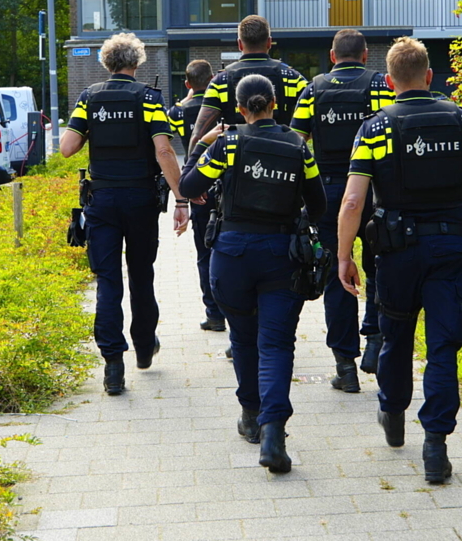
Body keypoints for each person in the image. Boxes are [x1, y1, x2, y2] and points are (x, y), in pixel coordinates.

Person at [336, 37, 462, 484]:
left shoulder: (375, 128)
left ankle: (392, 414)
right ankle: (436, 446)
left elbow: (353, 202)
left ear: (389, 82)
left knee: (395, 336)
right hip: (449, 250)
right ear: (430, 76)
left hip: (396, 253)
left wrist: (343, 256)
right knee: (443, 346)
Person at [179, 74, 326, 474]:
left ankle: (249, 414)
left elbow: (190, 185)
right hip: (281, 255)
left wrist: (202, 144)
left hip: (232, 254)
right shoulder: (298, 147)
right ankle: (274, 433)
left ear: (241, 109)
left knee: (242, 337)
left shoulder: (228, 143)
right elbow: (318, 206)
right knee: (277, 344)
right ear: (275, 104)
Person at [60, 33, 190, 396]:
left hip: (101, 201)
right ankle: (145, 347)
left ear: (106, 63)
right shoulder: (149, 98)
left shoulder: (89, 98)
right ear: (136, 63)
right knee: (141, 274)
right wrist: (182, 199)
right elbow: (164, 152)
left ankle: (113, 365)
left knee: (107, 280)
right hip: (141, 200)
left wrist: (92, 131)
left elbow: (68, 148)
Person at [290, 29, 393, 393]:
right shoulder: (381, 84)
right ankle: (376, 340)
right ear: (366, 56)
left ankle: (345, 366)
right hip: (375, 190)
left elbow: (296, 142)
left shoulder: (313, 89)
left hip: (329, 190)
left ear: (332, 56)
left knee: (337, 272)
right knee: (380, 264)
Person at [188, 15, 308, 154]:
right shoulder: (292, 78)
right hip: (283, 165)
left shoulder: (220, 82)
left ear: (239, 44)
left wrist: (189, 169)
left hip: (236, 166)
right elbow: (312, 122)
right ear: (269, 42)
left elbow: (198, 136)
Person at [168, 60, 226, 332]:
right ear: (213, 78)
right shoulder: (223, 109)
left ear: (188, 84)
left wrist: (186, 97)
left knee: (204, 254)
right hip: (223, 184)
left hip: (196, 183)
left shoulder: (179, 111)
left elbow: (169, 119)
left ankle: (214, 314)